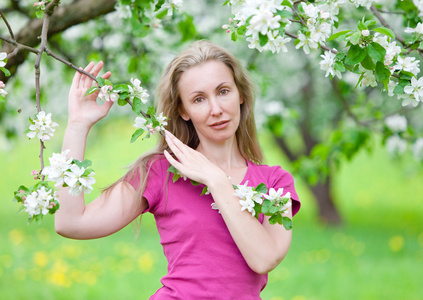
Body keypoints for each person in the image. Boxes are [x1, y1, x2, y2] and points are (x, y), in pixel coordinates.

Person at [55, 40, 301, 299]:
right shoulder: (160, 172)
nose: (216, 110)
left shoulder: (275, 183)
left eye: (223, 91)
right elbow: (71, 223)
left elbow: (263, 259)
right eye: (199, 99)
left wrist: (217, 181)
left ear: (240, 94)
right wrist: (77, 126)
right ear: (184, 110)